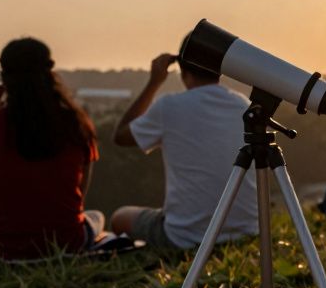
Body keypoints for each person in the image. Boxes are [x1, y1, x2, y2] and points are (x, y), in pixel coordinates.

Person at [0, 38, 102, 262]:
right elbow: (80, 189)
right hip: (66, 246)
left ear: (4, 79)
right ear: (50, 73)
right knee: (96, 217)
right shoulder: (76, 124)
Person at [110, 49, 258, 249]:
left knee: (120, 217)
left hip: (185, 237)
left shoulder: (169, 107)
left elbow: (121, 135)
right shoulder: (243, 105)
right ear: (219, 72)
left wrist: (154, 82)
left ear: (183, 73)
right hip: (245, 234)